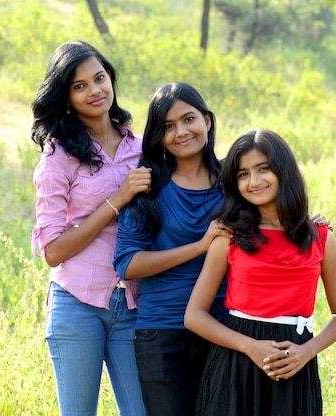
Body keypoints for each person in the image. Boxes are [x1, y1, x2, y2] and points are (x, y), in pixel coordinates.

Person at [184, 129, 336, 416]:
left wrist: (307, 351)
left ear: (284, 171)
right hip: (235, 365)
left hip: (294, 364)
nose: (254, 181)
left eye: (263, 169)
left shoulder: (321, 237)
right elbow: (194, 316)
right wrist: (250, 347)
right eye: (243, 174)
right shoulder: (229, 236)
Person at [30, 40, 150, 416]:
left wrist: (282, 214)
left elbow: (197, 188)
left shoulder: (143, 148)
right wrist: (117, 200)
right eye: (79, 86)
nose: (94, 90)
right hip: (77, 303)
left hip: (133, 303)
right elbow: (53, 252)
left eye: (99, 78)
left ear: (111, 79)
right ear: (66, 99)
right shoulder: (58, 157)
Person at [112, 82, 231, 416]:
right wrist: (199, 246)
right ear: (158, 136)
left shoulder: (233, 182)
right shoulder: (148, 187)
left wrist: (309, 222)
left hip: (223, 328)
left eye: (188, 119)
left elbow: (270, 219)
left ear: (207, 120)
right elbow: (127, 263)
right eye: (168, 126)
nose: (181, 132)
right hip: (161, 333)